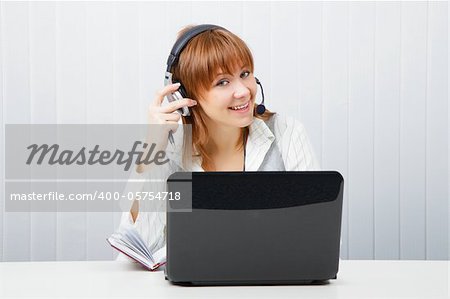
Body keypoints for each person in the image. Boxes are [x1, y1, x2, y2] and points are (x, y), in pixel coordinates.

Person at [116, 24, 320, 261]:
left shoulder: (287, 132)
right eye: (222, 82)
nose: (243, 91)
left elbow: (318, 236)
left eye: (245, 74)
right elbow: (139, 250)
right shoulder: (168, 146)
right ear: (184, 96)